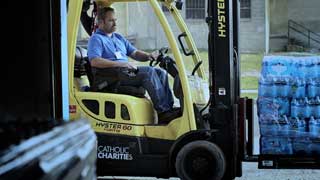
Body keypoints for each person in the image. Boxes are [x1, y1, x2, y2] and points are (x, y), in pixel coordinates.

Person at [87, 7, 179, 123]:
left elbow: (134, 53)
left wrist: (149, 55)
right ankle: (163, 112)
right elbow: (94, 61)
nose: (115, 23)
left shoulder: (118, 37)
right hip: (113, 77)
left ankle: (169, 109)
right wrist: (120, 64)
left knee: (160, 72)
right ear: (100, 22)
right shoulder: (96, 39)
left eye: (115, 20)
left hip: (125, 72)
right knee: (148, 72)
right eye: (111, 20)